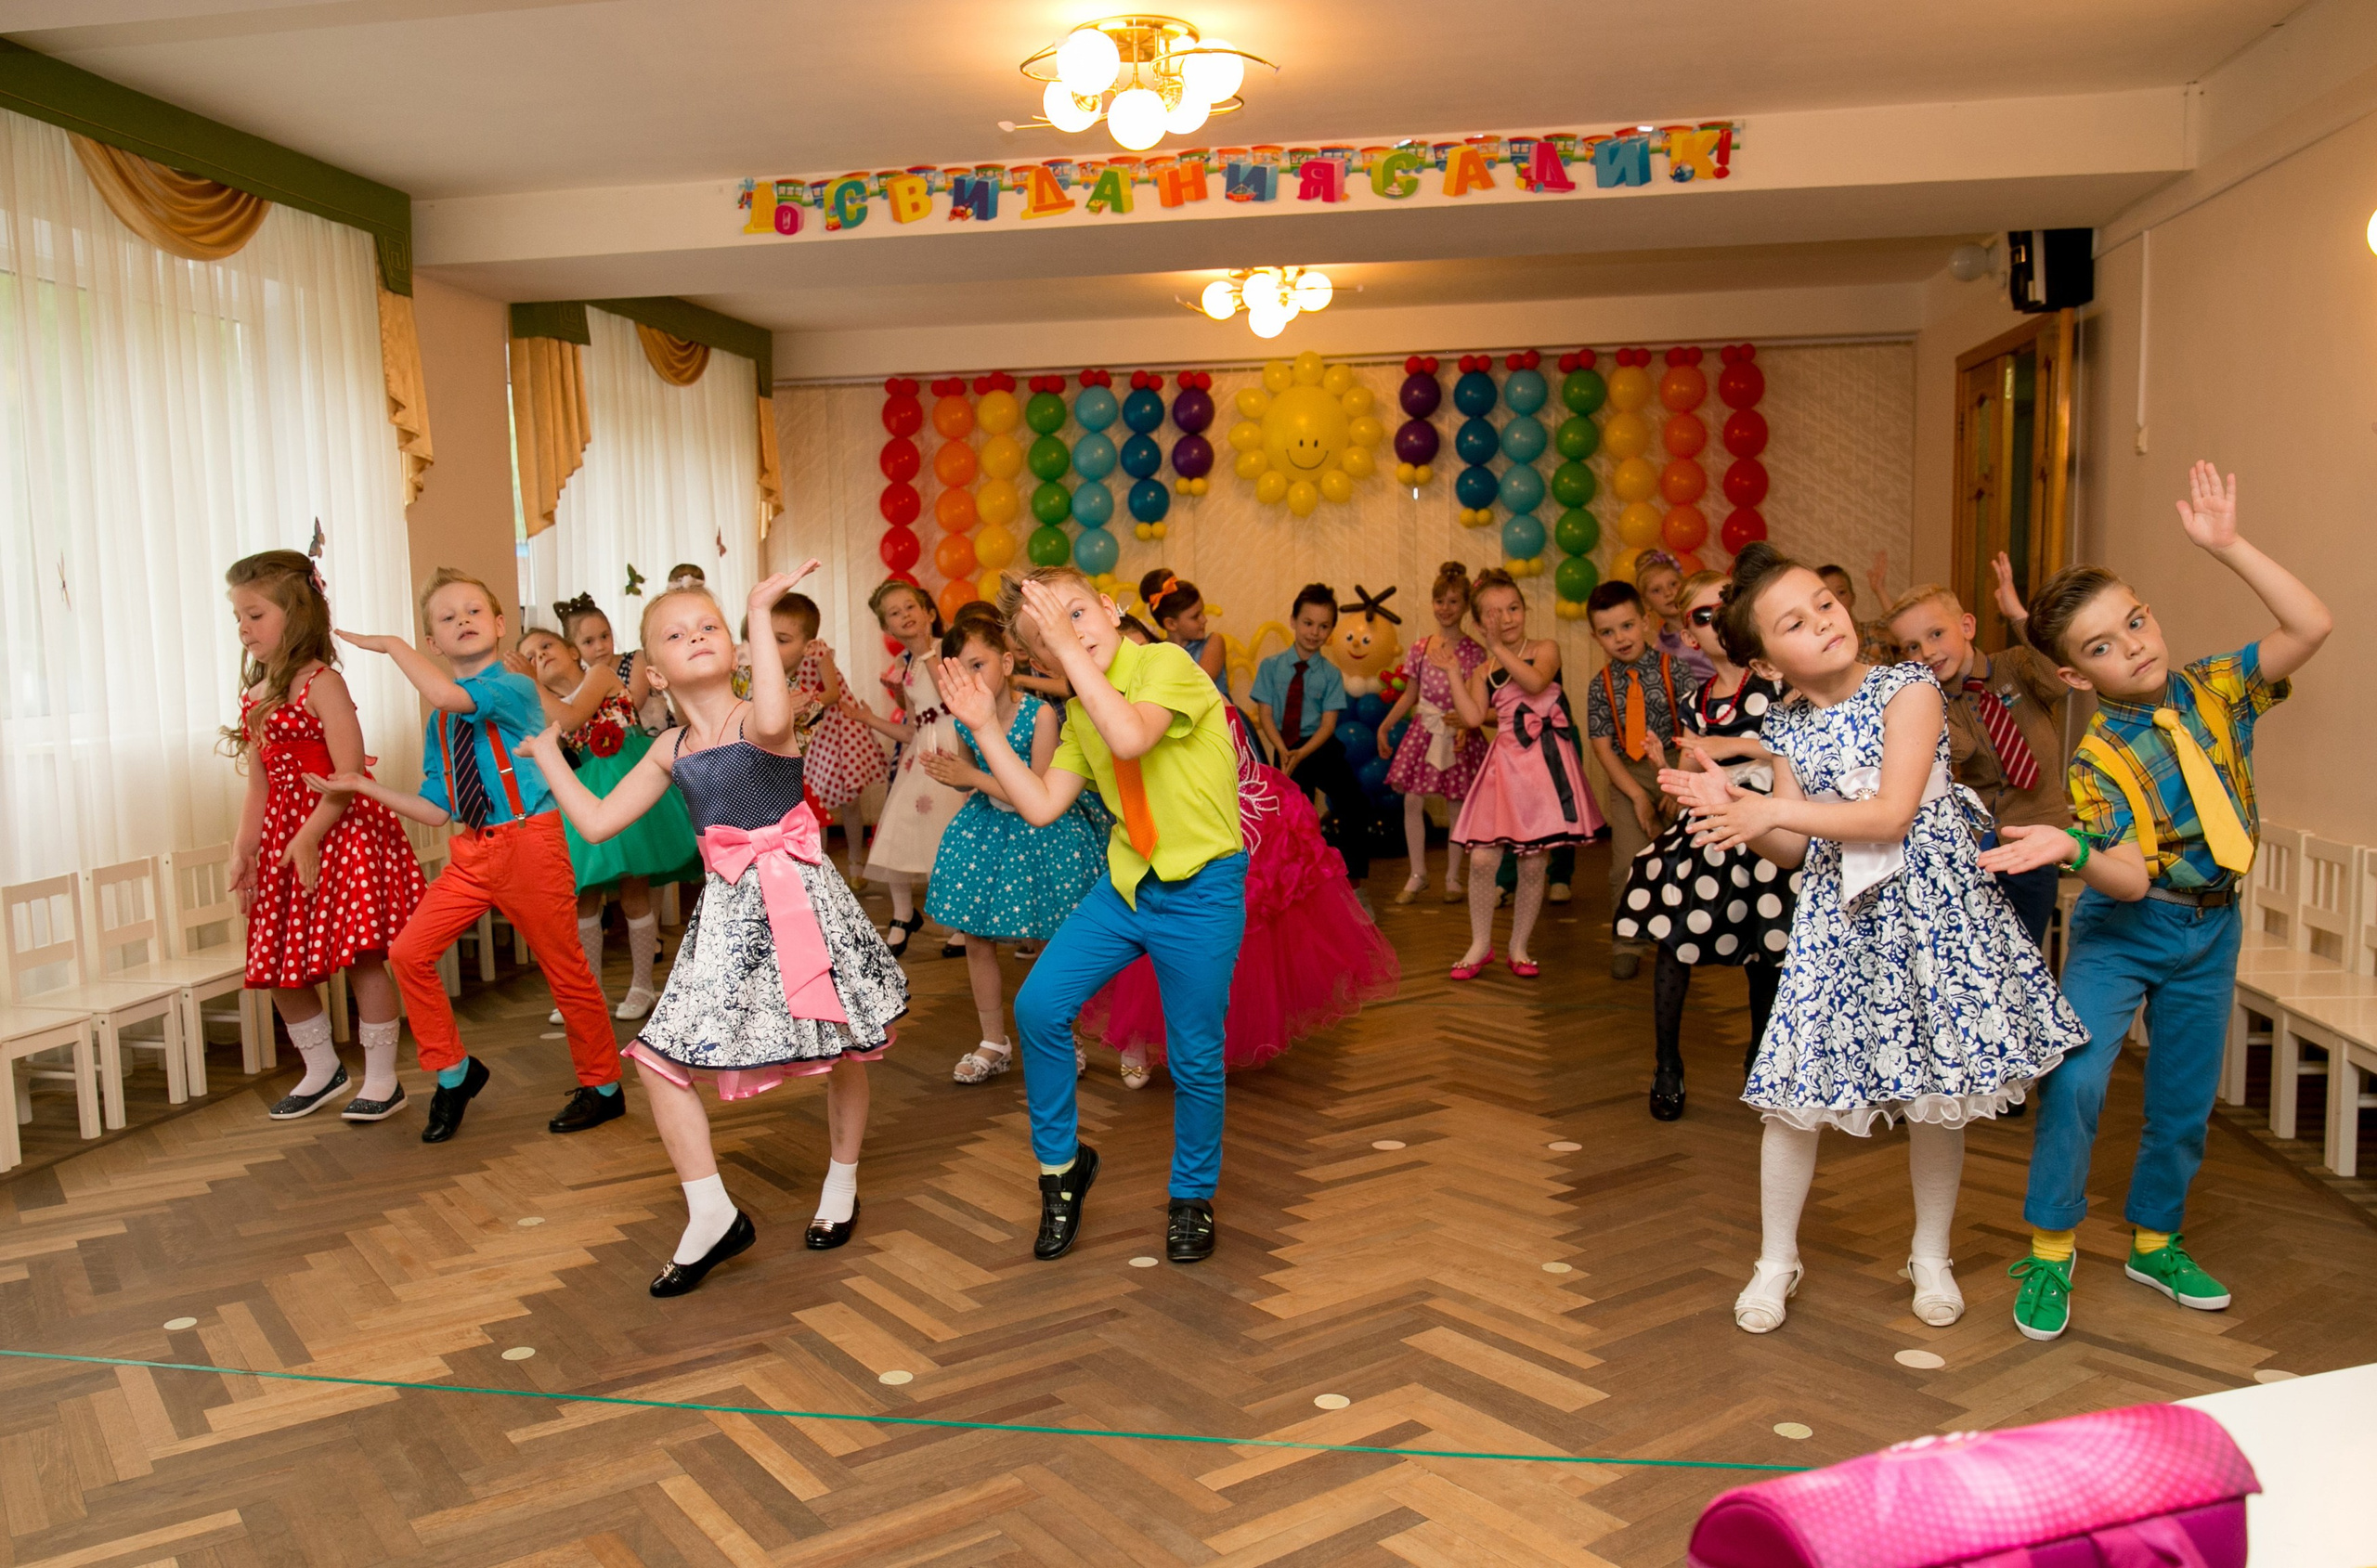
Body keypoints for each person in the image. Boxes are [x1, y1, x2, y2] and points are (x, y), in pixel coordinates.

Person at [1664, 550, 2085, 1336]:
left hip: (1932, 918)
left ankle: (1931, 1253)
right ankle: (1775, 1259)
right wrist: (1741, 806)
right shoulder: (1787, 723)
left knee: (1939, 1096)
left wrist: (1770, 814)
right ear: (1762, 658)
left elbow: (1890, 814)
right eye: (1794, 621)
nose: (1824, 621)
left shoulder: (1909, 688)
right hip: (1839, 926)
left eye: (1824, 603)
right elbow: (1794, 849)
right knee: (1792, 1098)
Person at [1979, 461, 2331, 1342]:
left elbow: (2311, 623)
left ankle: (2154, 1240)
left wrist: (2227, 546)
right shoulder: (2098, 760)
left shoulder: (2218, 688)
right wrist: (2076, 846)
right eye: (2103, 644)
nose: (2133, 644)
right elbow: (2129, 879)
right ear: (2078, 674)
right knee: (2079, 1076)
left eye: (2134, 620)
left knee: (2183, 1097)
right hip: (2128, 928)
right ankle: (2052, 1248)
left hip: (2214, 927)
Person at [518, 566, 908, 1295]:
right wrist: (547, 758)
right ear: (655, 674)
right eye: (675, 634)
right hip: (729, 916)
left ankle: (841, 1180)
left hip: (800, 899)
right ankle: (710, 1212)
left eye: (709, 627)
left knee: (845, 1045)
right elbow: (599, 821)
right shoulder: (669, 750)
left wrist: (760, 608)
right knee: (660, 1060)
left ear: (734, 647)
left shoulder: (766, 712)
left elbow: (767, 721)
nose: (695, 638)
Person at [935, 566, 1245, 1266]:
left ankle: (1192, 1195)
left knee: (1195, 1057)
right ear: (1038, 662)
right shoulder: (1078, 715)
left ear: (1110, 607)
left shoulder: (1168, 663)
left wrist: (1066, 645)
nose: (1072, 634)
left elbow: (1132, 736)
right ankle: (1061, 1171)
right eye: (1050, 636)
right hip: (1128, 885)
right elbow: (1041, 805)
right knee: (1040, 1007)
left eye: (1078, 613)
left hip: (1201, 888)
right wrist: (985, 726)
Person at [324, 570, 626, 1141]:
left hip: (530, 841)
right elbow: (436, 809)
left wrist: (391, 646)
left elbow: (445, 692)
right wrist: (361, 787)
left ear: (498, 625)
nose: (463, 620)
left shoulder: (511, 688)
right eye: (447, 617)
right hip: (474, 850)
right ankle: (454, 1072)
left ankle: (603, 1086)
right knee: (409, 953)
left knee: (565, 969)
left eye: (473, 611)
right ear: (435, 642)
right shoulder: (440, 721)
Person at [1079, 607, 1398, 1085]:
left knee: (1218, 943)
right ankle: (1137, 1038)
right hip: (1147, 841)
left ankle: (1200, 1039)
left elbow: (1238, 768)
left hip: (1216, 830)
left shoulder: (1202, 696)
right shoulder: (1099, 715)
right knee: (1141, 939)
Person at [221, 551, 424, 1122]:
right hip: (285, 835)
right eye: (238, 617)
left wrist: (310, 834)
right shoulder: (256, 693)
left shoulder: (323, 683)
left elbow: (349, 770)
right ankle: (321, 1069)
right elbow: (258, 782)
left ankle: (383, 1079)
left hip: (339, 829)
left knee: (362, 959)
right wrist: (244, 846)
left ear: (298, 612)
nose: (244, 628)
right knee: (278, 961)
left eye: (256, 615)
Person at [1615, 563, 1793, 1121]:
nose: (1722, 621)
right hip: (1710, 830)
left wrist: (1729, 748)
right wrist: (1667, 766)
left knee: (1767, 952)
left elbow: (1789, 753)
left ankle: (1760, 1062)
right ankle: (1668, 1065)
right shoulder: (1696, 700)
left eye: (1730, 607)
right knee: (1674, 936)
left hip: (1766, 828)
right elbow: (1694, 769)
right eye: (1707, 615)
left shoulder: (1778, 683)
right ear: (1691, 634)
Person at [919, 605, 1111, 1086]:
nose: (971, 679)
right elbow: (971, 782)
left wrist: (972, 776)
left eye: (978, 665)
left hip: (1043, 834)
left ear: (1007, 664)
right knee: (977, 938)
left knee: (1051, 939)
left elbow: (1040, 792)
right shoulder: (963, 720)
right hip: (988, 833)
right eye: (958, 671)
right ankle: (993, 1039)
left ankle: (1062, 1035)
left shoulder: (1040, 713)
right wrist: (954, 775)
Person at [1885, 560, 2072, 952]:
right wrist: (1916, 696)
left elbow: (2057, 680)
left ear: (1967, 626)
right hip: (1976, 848)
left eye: (1936, 634)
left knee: (2024, 957)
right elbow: (1964, 749)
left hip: (2036, 840)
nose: (1928, 652)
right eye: (1913, 647)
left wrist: (2018, 614)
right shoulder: (1929, 702)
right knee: (1980, 956)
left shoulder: (2015, 666)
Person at [529, 598, 700, 1018]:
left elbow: (570, 720)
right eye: (531, 657)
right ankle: (589, 993)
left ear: (573, 651)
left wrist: (526, 683)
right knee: (584, 895)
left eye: (547, 647)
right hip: (584, 789)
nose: (541, 657)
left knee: (634, 889)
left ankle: (642, 986)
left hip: (627, 777)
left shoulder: (601, 674)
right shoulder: (544, 698)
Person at [1447, 568, 1599, 979]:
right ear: (1478, 624)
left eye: (1513, 608)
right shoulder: (1483, 670)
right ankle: (1481, 944)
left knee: (1534, 864)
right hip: (1505, 766)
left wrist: (1497, 647)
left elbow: (1534, 682)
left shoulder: (1545, 648)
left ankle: (1519, 946)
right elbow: (1475, 716)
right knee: (1481, 859)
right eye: (1494, 614)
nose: (1507, 618)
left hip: (1544, 766)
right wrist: (1451, 675)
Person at [844, 580, 966, 958]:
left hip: (952, 747)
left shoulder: (948, 650)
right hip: (921, 753)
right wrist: (870, 719)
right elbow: (914, 727)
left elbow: (951, 698)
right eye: (894, 613)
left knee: (946, 833)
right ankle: (902, 913)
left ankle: (959, 922)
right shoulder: (906, 665)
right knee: (896, 828)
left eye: (911, 606)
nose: (905, 615)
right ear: (888, 629)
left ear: (928, 612)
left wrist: (928, 653)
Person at [1585, 579, 1700, 980]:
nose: (1620, 638)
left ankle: (1684, 934)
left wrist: (1678, 781)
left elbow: (1692, 732)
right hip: (1628, 774)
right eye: (1607, 631)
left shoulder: (1677, 669)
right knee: (1627, 864)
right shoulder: (1599, 685)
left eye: (1627, 626)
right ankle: (1627, 941)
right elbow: (1602, 747)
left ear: (1646, 621)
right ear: (1595, 635)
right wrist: (1635, 795)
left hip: (1675, 765)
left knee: (1682, 859)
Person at [734, 590, 886, 881]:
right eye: (761, 636)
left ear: (807, 644)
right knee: (813, 803)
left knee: (840, 801)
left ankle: (849, 866)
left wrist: (802, 705)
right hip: (798, 730)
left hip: (834, 727)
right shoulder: (743, 674)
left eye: (781, 639)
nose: (767, 646)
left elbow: (832, 693)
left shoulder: (814, 656)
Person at [1249, 583, 1376, 900]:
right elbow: (1265, 715)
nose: (1314, 632)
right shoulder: (1271, 666)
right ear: (1293, 620)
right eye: (1308, 623)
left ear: (1331, 630)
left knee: (1355, 804)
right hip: (1284, 746)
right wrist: (1281, 749)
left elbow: (1328, 723)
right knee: (1294, 819)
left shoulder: (1331, 674)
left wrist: (1303, 752)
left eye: (1323, 626)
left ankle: (1354, 884)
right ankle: (1300, 888)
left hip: (1318, 746)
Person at [1379, 562, 1489, 906]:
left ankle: (1453, 877)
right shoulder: (1421, 648)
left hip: (1457, 731)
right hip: (1423, 730)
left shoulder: (1473, 651)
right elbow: (1410, 694)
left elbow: (1474, 698)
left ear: (1466, 605)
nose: (1445, 608)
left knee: (1457, 802)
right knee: (1412, 800)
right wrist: (1385, 724)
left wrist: (1464, 726)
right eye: (1439, 601)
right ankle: (1418, 873)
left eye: (1453, 601)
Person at [1139, 569, 1232, 689]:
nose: (1204, 620)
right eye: (1195, 616)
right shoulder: (1160, 651)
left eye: (1202, 612)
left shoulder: (1214, 641)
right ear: (1171, 624)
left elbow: (1200, 686)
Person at [1637, 551, 1716, 685]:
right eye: (1656, 590)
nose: (1668, 593)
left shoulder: (1712, 623)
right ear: (1646, 603)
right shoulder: (1660, 652)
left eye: (1673, 584)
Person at [1817, 560, 1902, 668]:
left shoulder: (1875, 630)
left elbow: (1904, 635)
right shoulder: (1823, 645)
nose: (1836, 600)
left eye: (1841, 592)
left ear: (1853, 597)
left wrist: (1880, 589)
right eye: (1827, 597)